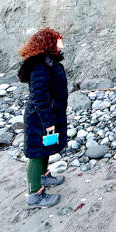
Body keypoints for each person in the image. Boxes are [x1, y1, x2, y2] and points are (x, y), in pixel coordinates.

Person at [17, 27, 68, 208]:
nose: (62, 42)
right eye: (59, 39)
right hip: (40, 116)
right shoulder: (40, 66)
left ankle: (44, 177)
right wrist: (48, 122)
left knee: (45, 146)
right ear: (49, 43)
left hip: (50, 113)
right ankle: (34, 194)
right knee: (36, 153)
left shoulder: (49, 62)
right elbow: (39, 96)